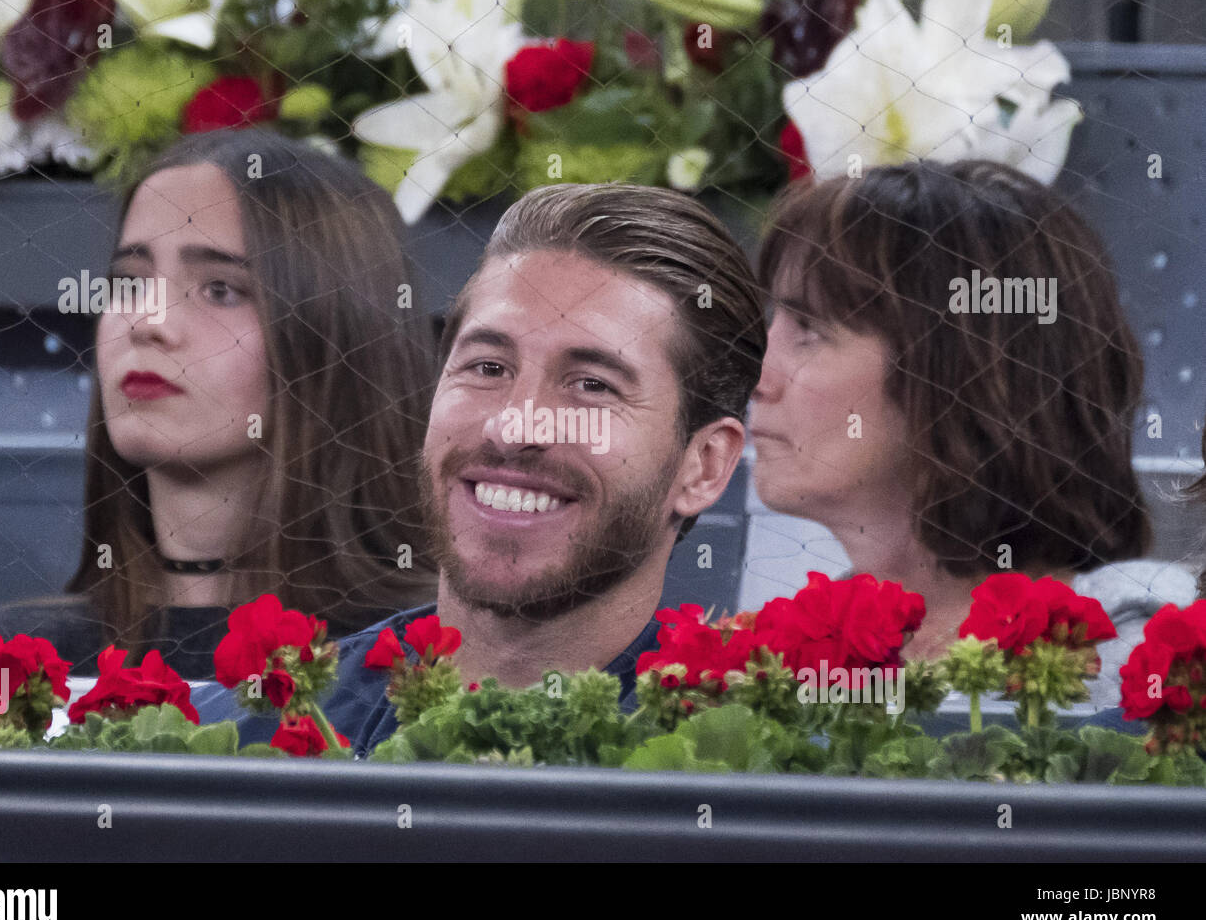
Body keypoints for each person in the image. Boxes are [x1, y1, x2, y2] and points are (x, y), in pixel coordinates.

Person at [194, 181, 768, 752]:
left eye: (591, 385)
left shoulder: (772, 776)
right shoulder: (231, 744)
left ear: (704, 466)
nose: (514, 428)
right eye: (489, 367)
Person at [0, 129, 439, 678]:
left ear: (337, 333)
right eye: (131, 282)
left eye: (219, 289)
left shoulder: (425, 663)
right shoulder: (15, 663)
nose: (148, 322)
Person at [748, 158, 1197, 714]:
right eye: (773, 326)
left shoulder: (1148, 670)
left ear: (959, 372)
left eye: (809, 332)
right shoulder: (786, 661)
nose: (756, 376)